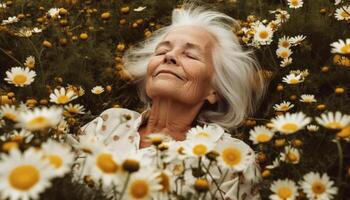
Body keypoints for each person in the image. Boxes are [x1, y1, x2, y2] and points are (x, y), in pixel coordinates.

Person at [69, 2, 267, 200]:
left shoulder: (232, 157)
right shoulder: (109, 122)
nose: (170, 56)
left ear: (214, 89)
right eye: (162, 51)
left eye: (190, 55)